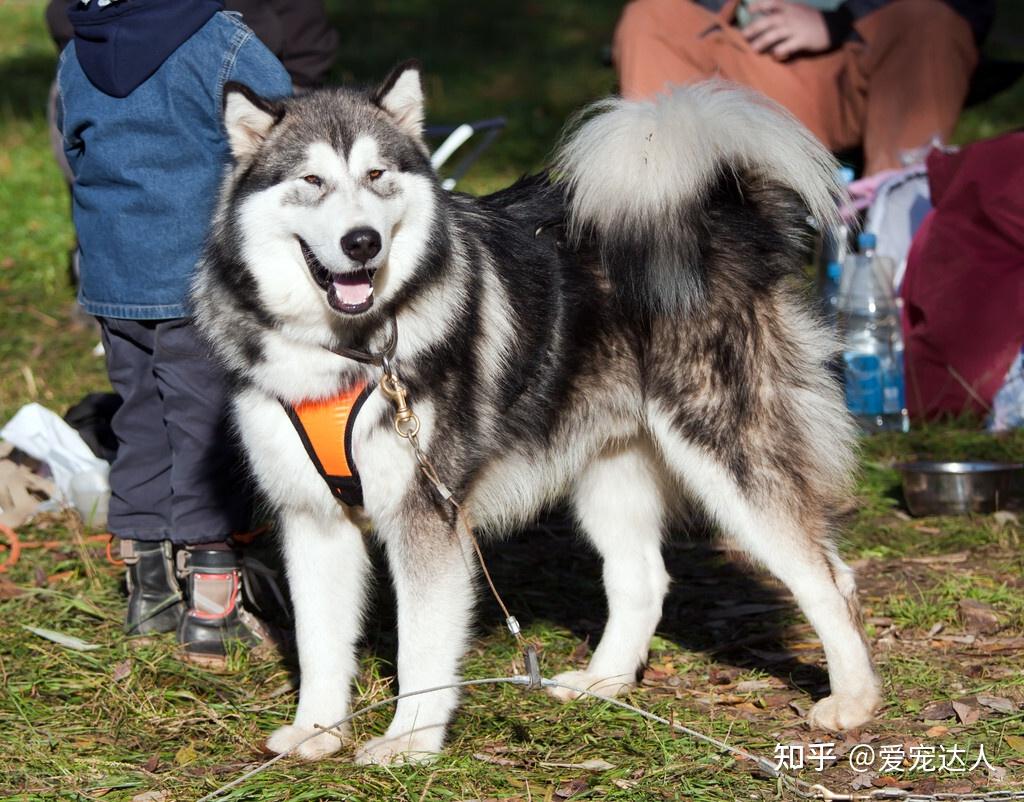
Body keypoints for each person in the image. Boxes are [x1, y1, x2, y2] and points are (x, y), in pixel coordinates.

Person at [55, 0, 293, 661]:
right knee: (207, 428)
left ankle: (147, 588)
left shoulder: (80, 48)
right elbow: (281, 117)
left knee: (140, 420)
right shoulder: (216, 40)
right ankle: (210, 606)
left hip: (113, 273)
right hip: (196, 277)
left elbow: (73, 140)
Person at [612, 0, 996, 175]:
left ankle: (887, 247)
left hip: (869, 65)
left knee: (928, 21)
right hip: (747, 60)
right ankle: (656, 221)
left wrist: (839, 22)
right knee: (652, 16)